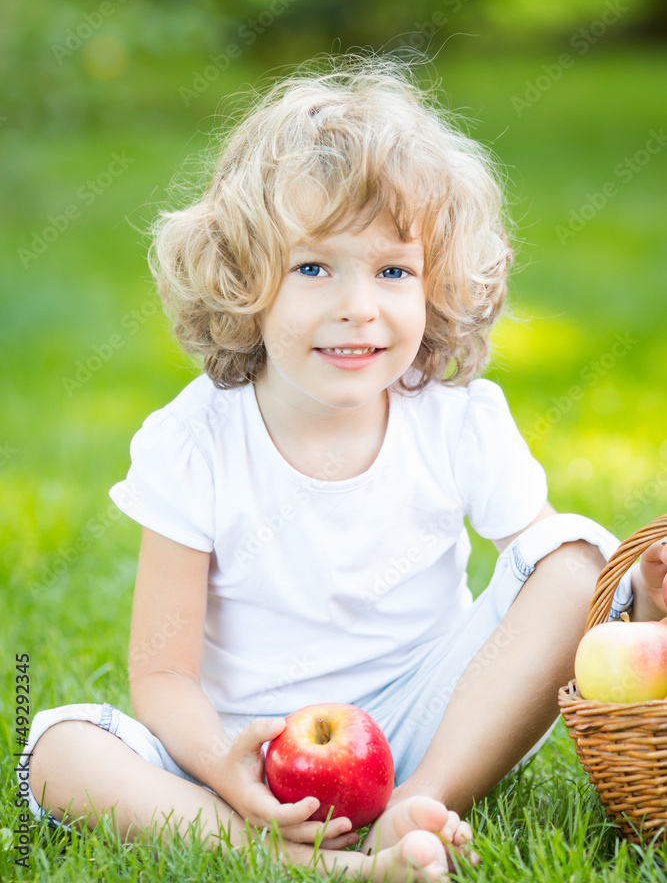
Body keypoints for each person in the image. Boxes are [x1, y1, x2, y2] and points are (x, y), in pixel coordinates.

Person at [23, 52, 667, 883]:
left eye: (393, 270)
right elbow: (162, 672)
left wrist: (640, 597)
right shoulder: (195, 442)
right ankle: (275, 851)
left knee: (576, 549)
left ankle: (422, 803)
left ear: (435, 288)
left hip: (430, 721)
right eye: (313, 267)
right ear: (244, 281)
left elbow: (559, 588)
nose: (357, 304)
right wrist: (224, 762)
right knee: (57, 745)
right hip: (253, 741)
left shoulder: (455, 417)